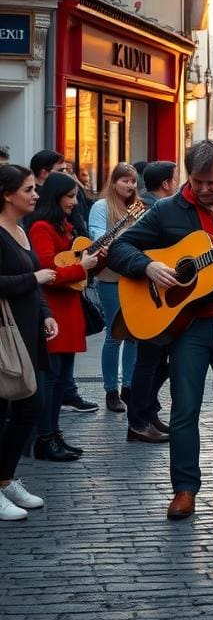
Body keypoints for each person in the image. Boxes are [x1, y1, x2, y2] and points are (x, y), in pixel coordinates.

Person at [108, 140, 213, 521]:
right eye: (197, 181)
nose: (204, 189)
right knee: (185, 411)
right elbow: (119, 249)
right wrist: (147, 267)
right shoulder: (168, 210)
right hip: (189, 329)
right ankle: (184, 489)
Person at [25, 172, 100, 461]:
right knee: (51, 377)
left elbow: (77, 263)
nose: (74, 202)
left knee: (60, 377)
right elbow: (48, 272)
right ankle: (45, 437)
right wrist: (83, 267)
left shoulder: (64, 226)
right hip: (54, 311)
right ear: (55, 197)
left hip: (68, 309)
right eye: (69, 196)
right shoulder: (42, 227)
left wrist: (94, 259)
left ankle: (53, 433)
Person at [0, 165, 59, 519]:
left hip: (27, 335)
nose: (36, 195)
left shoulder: (20, 231)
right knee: (7, 412)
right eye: (28, 189)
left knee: (28, 409)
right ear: (7, 195)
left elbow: (34, 285)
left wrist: (46, 312)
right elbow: (19, 279)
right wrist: (32, 277)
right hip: (4, 337)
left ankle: (5, 480)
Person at [125, 161, 180, 443]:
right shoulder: (150, 209)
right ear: (167, 184)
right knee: (148, 362)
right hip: (149, 294)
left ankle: (148, 411)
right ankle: (138, 420)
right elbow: (128, 246)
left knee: (159, 362)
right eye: (177, 178)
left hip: (162, 297)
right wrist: (150, 266)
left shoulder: (154, 205)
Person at [88, 163, 142, 413]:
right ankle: (111, 389)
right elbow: (99, 240)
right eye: (125, 181)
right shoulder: (101, 206)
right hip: (110, 277)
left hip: (135, 276)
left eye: (133, 181)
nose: (130, 186)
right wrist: (125, 231)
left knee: (134, 333)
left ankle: (130, 387)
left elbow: (147, 236)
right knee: (115, 333)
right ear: (114, 182)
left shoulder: (137, 207)